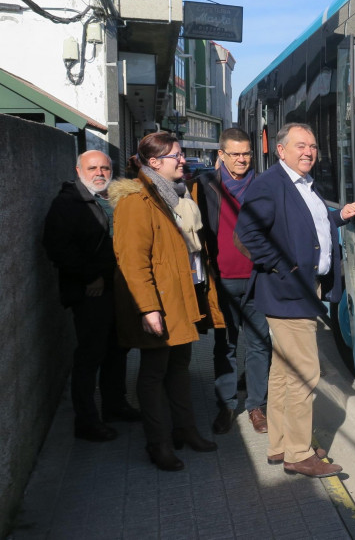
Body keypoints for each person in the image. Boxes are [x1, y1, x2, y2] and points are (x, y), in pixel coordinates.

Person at [236, 122, 355, 478]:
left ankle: (281, 444)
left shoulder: (302, 184)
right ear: (281, 150)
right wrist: (283, 267)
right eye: (300, 145)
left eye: (313, 146)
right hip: (289, 291)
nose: (308, 152)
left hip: (300, 288)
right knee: (305, 373)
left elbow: (308, 226)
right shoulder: (270, 184)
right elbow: (247, 233)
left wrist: (338, 217)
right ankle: (299, 453)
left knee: (285, 372)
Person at [108, 132, 225, 471]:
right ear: (155, 162)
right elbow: (132, 261)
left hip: (182, 299)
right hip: (160, 304)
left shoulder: (174, 194)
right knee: (153, 373)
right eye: (176, 154)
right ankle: (158, 444)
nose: (183, 159)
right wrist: (148, 308)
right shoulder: (137, 201)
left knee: (179, 368)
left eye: (181, 153)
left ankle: (185, 430)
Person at [43, 150, 141, 442]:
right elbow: (56, 247)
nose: (99, 172)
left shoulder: (113, 197)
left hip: (116, 289)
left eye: (104, 167)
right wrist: (90, 277)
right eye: (93, 168)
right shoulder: (67, 203)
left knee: (117, 348)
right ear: (78, 170)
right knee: (90, 355)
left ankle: (115, 405)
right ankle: (86, 421)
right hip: (89, 291)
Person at [191, 127, 271, 436]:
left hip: (258, 280)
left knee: (259, 345)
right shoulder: (203, 185)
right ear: (220, 155)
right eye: (235, 154)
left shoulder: (266, 185)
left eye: (247, 153)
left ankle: (255, 406)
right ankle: (226, 405)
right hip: (220, 282)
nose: (242, 159)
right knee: (224, 345)